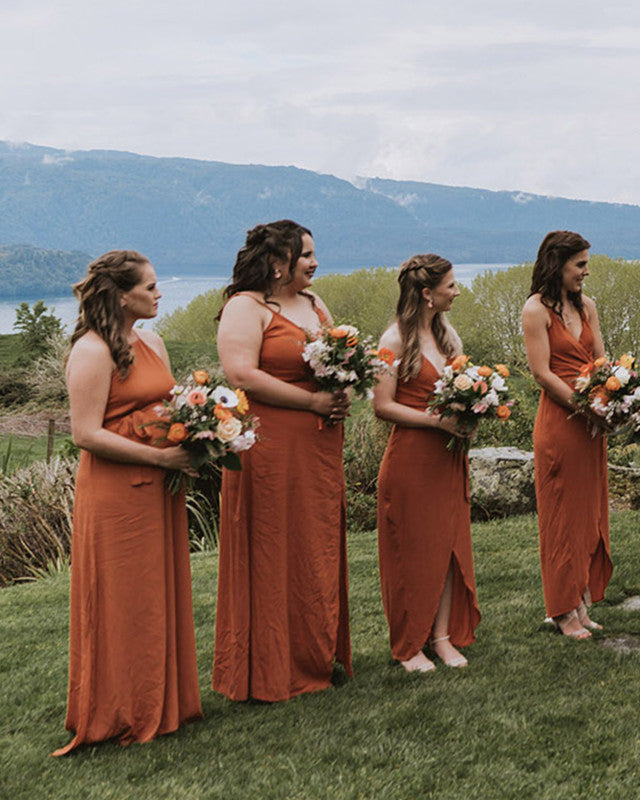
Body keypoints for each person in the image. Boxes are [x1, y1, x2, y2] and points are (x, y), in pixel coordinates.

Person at [53, 250, 202, 756]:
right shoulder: (92, 351)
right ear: (121, 296)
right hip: (117, 492)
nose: (160, 293)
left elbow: (173, 402)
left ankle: (163, 702)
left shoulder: (153, 340)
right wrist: (159, 459)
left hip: (160, 487)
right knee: (122, 599)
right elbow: (85, 434)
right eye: (151, 286)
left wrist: (203, 431)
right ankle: (121, 709)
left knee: (157, 593)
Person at [213, 219, 352, 701]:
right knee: (275, 543)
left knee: (315, 543)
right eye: (306, 255)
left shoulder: (315, 305)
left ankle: (316, 654)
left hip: (319, 444)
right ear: (278, 264)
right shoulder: (244, 307)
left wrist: (342, 387)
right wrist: (311, 402)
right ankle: (271, 667)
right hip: (269, 445)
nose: (315, 262)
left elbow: (340, 355)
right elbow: (241, 373)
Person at [373, 254, 480, 673]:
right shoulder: (393, 339)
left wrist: (472, 414)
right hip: (411, 462)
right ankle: (409, 644)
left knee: (449, 549)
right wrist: (438, 421)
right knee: (411, 554)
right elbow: (382, 406)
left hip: (448, 460)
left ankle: (441, 637)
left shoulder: (449, 336)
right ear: (426, 294)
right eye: (450, 285)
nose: (456, 291)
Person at [522, 231, 612, 640]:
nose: (586, 272)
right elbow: (542, 373)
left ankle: (580, 600)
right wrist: (584, 405)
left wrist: (612, 398)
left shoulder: (587, 306)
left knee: (587, 513)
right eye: (580, 265)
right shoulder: (535, 310)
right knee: (561, 516)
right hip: (560, 424)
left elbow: (602, 361)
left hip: (593, 425)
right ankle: (561, 609)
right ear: (558, 264)